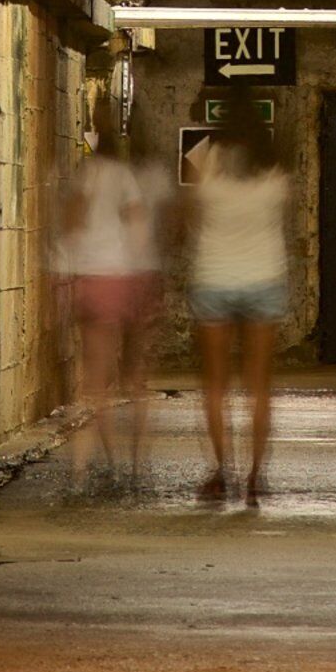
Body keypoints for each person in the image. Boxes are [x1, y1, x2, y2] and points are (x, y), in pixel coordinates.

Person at [180, 105, 295, 505]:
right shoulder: (275, 169)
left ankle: (220, 471)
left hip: (214, 279)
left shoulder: (203, 160)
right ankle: (255, 477)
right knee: (259, 386)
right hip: (264, 279)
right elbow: (284, 217)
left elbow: (186, 219)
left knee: (215, 386)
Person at [52, 128, 165, 486]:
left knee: (94, 378)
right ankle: (135, 458)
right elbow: (137, 226)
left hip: (89, 278)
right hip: (122, 275)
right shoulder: (125, 176)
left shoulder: (85, 175)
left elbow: (69, 227)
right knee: (135, 372)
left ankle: (98, 460)